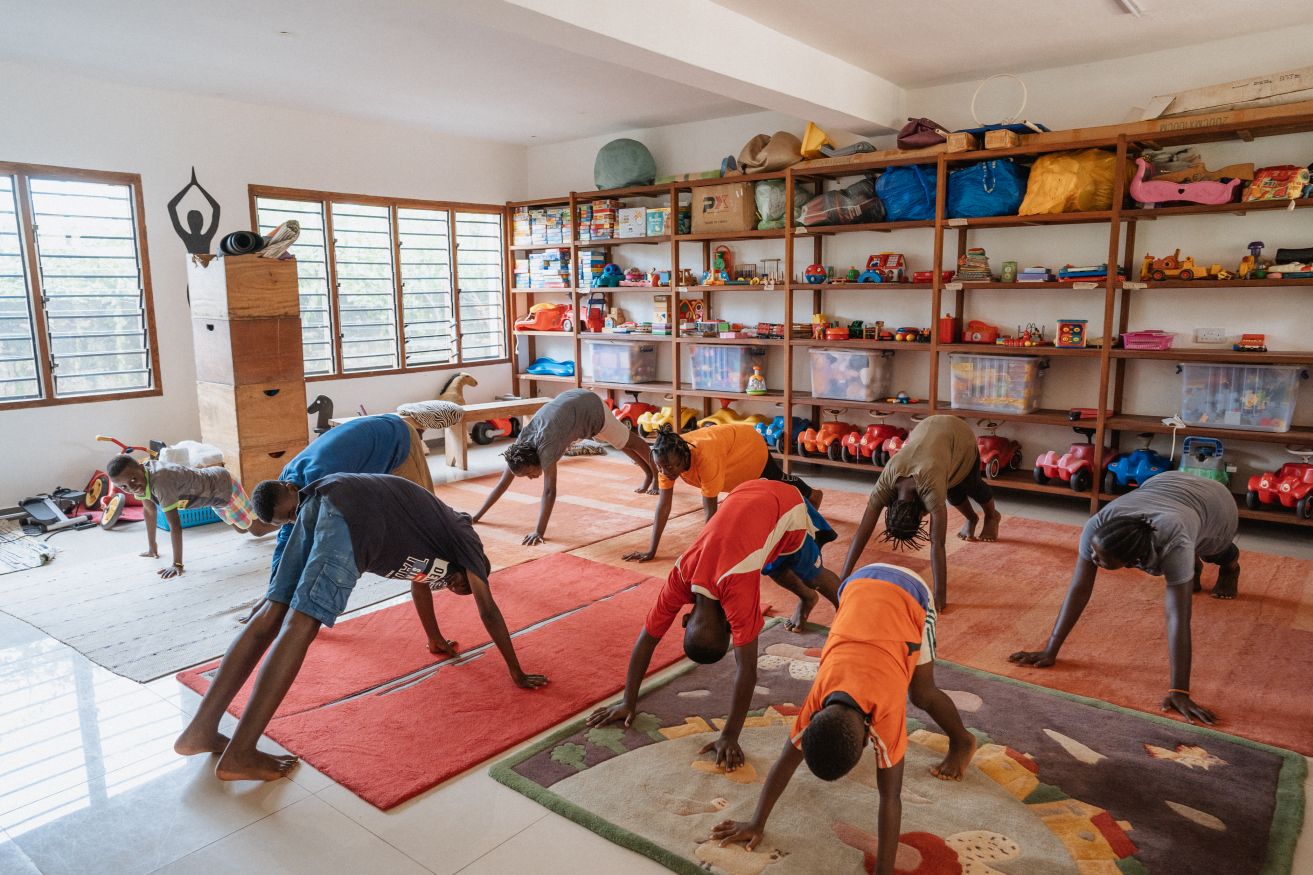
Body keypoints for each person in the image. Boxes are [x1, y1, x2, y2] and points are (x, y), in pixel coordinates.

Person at [175, 473, 547, 781]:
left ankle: (200, 730)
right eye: (464, 584)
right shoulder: (467, 543)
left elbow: (419, 582)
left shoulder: (435, 551)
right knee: (300, 624)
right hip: (355, 514)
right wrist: (516, 671)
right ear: (474, 568)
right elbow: (488, 611)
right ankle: (240, 753)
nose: (459, 588)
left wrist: (433, 638)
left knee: (273, 614)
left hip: (326, 499)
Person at [710, 564, 974, 875]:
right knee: (917, 690)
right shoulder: (817, 698)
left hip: (910, 595)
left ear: (866, 739)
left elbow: (891, 798)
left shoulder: (886, 711)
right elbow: (786, 759)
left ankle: (962, 740)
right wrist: (756, 823)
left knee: (922, 694)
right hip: (857, 586)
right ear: (814, 718)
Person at [588, 480, 839, 771]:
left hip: (785, 503)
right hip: (743, 491)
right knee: (774, 563)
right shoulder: (682, 573)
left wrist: (729, 735)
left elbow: (748, 669)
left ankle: (850, 612)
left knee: (811, 574)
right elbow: (648, 637)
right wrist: (627, 701)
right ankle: (806, 598)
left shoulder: (737, 591)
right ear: (686, 619)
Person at [1008, 470, 1239, 725]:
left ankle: (1230, 566)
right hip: (1166, 481)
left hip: (1216, 503)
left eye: (1101, 559)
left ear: (1133, 561)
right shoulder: (1097, 527)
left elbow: (1178, 617)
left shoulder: (1176, 541)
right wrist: (1050, 649)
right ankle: (1189, 569)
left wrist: (1180, 691)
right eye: (1094, 552)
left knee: (1212, 552)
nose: (1092, 558)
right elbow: (1079, 588)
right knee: (1183, 565)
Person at [840, 415, 1000, 610]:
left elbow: (937, 543)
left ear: (920, 513)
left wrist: (939, 596)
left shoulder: (930, 488)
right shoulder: (885, 485)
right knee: (952, 491)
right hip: (928, 430)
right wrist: (843, 577)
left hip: (958, 434)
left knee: (970, 485)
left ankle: (991, 516)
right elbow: (862, 532)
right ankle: (972, 519)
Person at [472, 389, 658, 545]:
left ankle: (656, 475)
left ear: (535, 460)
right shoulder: (520, 447)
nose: (530, 478)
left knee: (630, 442)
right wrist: (476, 516)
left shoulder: (546, 450)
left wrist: (539, 531)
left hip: (590, 407)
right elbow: (502, 484)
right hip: (572, 402)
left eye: (529, 473)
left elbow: (549, 492)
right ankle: (648, 474)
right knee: (620, 442)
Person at [623, 423, 822, 563]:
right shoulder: (666, 459)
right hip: (727, 449)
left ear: (683, 457)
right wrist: (652, 550)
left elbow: (711, 514)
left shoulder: (705, 459)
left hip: (748, 443)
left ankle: (812, 495)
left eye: (669, 467)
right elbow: (664, 506)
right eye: (660, 467)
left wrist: (704, 555)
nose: (665, 472)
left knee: (775, 479)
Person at [107, 455, 256, 579]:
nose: (131, 488)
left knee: (256, 530)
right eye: (124, 487)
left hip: (223, 486)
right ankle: (259, 513)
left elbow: (175, 526)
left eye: (133, 480)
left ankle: (271, 515)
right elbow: (149, 511)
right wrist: (152, 547)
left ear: (141, 468)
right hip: (213, 496)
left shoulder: (160, 482)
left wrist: (177, 564)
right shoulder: (141, 480)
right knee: (242, 529)